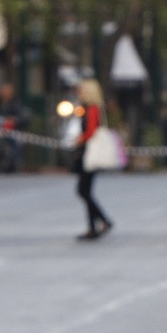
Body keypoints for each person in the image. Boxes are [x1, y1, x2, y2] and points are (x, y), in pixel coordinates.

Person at [71, 78, 112, 240]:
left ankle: (97, 224)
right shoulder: (86, 109)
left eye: (81, 91)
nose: (78, 94)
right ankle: (98, 222)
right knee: (85, 191)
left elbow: (91, 131)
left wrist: (80, 138)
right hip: (87, 153)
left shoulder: (93, 109)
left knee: (83, 190)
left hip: (89, 154)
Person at [0, 81, 28, 171]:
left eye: (8, 90)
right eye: (4, 90)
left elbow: (21, 117)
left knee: (17, 143)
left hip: (11, 131)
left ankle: (16, 162)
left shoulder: (16, 103)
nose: (5, 92)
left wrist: (14, 120)